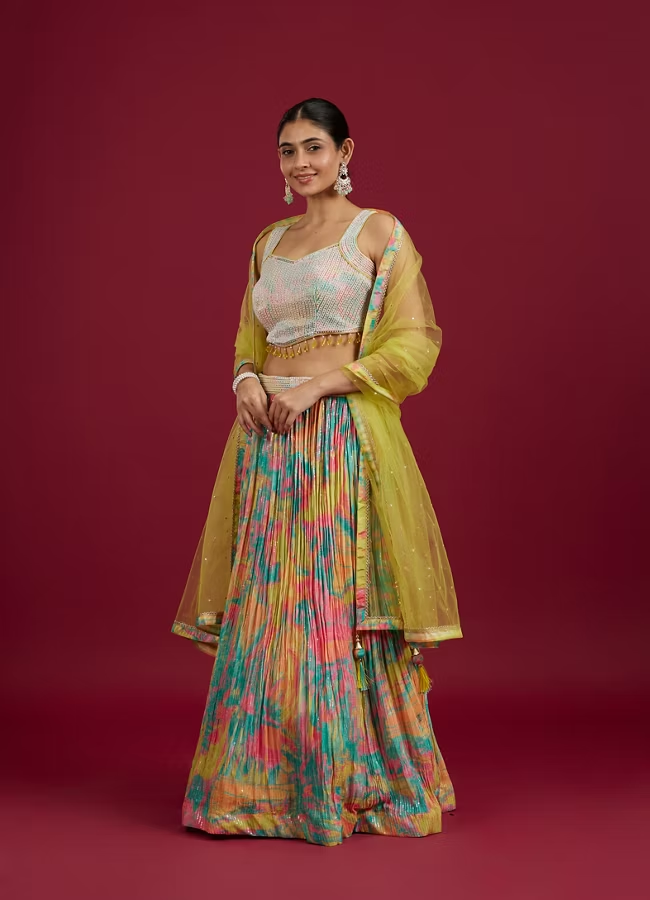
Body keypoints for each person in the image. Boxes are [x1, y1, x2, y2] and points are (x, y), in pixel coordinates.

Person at [172, 97, 463, 847]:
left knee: (330, 604)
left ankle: (342, 778)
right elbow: (249, 337)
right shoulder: (268, 242)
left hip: (338, 438)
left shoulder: (378, 232)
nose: (301, 163)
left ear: (344, 152)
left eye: (313, 147)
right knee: (270, 605)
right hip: (268, 444)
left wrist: (317, 387)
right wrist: (245, 380)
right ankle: (261, 783)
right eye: (287, 150)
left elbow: (413, 345)